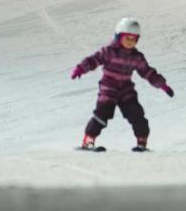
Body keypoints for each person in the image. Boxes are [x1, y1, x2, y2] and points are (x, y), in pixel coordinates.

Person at [70, 17, 173, 152]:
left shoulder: (137, 57)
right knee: (102, 114)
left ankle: (142, 143)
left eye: (134, 39)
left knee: (136, 114)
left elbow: (147, 72)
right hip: (108, 89)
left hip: (126, 90)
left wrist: (162, 85)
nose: (130, 42)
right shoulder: (109, 52)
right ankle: (88, 140)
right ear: (118, 37)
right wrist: (81, 68)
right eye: (127, 38)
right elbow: (94, 59)